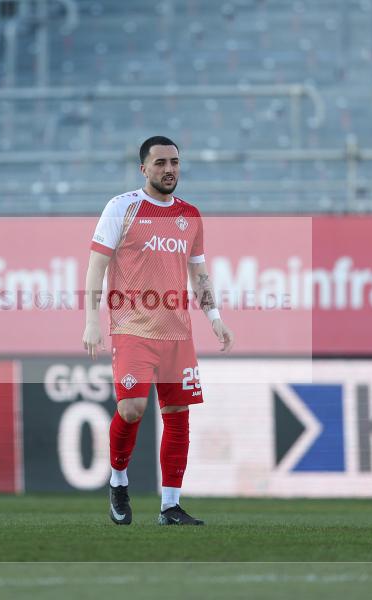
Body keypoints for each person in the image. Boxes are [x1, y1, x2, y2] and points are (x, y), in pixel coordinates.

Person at [82, 136, 234, 526]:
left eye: (175, 162)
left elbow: (199, 272)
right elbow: (96, 266)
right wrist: (91, 321)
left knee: (178, 415)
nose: (169, 169)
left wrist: (214, 317)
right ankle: (118, 481)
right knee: (131, 409)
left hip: (177, 333)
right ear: (144, 169)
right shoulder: (122, 207)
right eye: (161, 163)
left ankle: (170, 506)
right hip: (132, 328)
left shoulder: (190, 215)